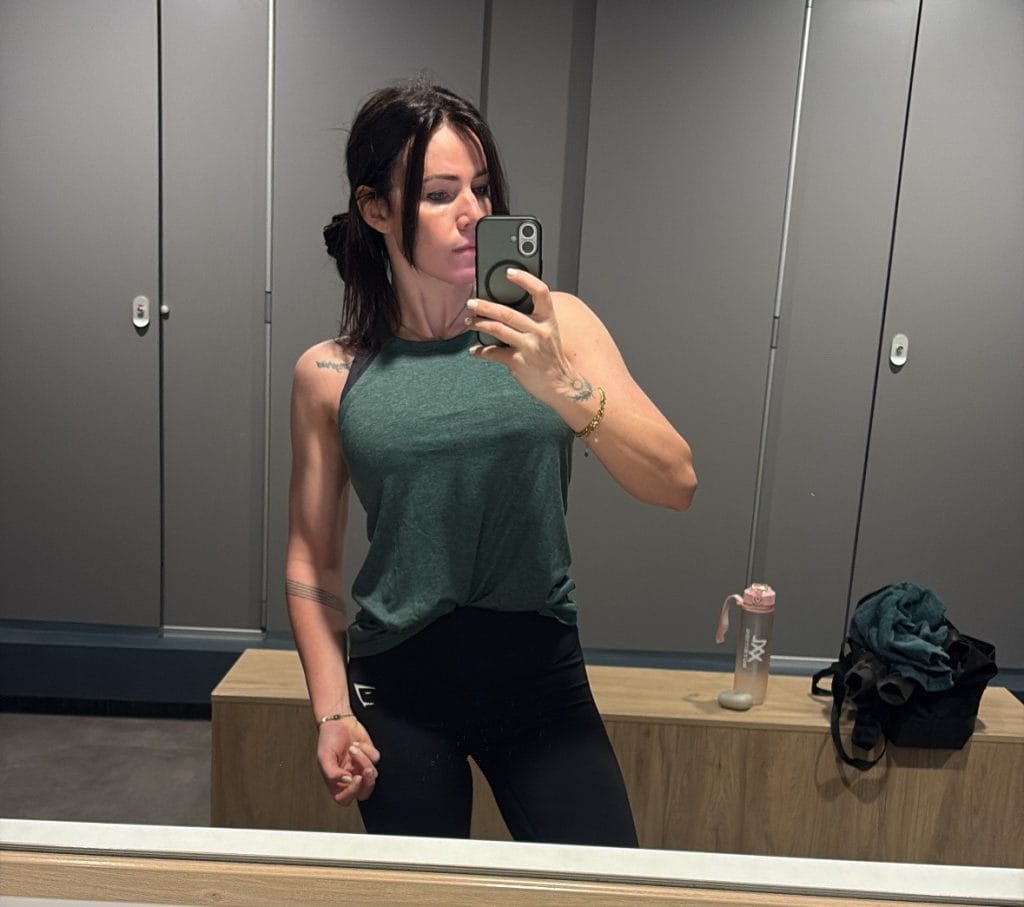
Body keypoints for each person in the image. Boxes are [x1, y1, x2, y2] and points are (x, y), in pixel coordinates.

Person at [285, 81, 696, 846]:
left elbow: (677, 481)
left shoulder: (557, 328)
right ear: (376, 210)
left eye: (481, 188)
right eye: (439, 194)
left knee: (602, 888)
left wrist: (562, 385)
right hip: (397, 685)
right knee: (423, 896)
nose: (473, 211)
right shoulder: (329, 374)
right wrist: (332, 710)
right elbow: (312, 559)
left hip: (538, 672)